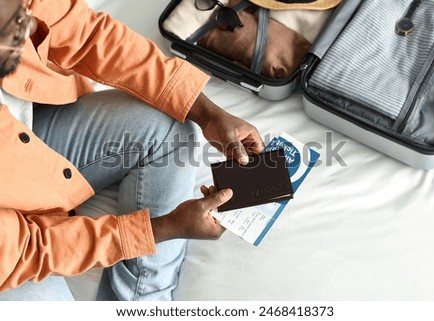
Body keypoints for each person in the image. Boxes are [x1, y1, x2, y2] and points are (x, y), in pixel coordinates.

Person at [0, 0, 264, 301]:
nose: (32, 25)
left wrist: (206, 113)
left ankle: (144, 305)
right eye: (14, 26)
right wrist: (162, 229)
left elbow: (89, 34)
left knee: (169, 125)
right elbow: (28, 250)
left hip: (25, 134)